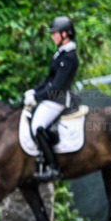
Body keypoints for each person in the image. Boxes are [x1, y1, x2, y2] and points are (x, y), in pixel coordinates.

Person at [24, 15, 78, 182]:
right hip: (51, 97)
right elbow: (49, 80)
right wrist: (33, 91)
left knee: (37, 126)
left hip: (58, 99)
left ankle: (53, 168)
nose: (52, 36)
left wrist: (37, 97)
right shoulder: (60, 54)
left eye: (56, 33)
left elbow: (56, 87)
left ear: (65, 34)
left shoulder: (69, 57)